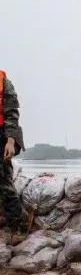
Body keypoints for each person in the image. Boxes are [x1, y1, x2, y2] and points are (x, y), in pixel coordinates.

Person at [0, 69, 29, 244]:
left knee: (3, 180)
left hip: (4, 135)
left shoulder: (4, 82)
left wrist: (10, 142)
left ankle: (19, 224)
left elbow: (12, 114)